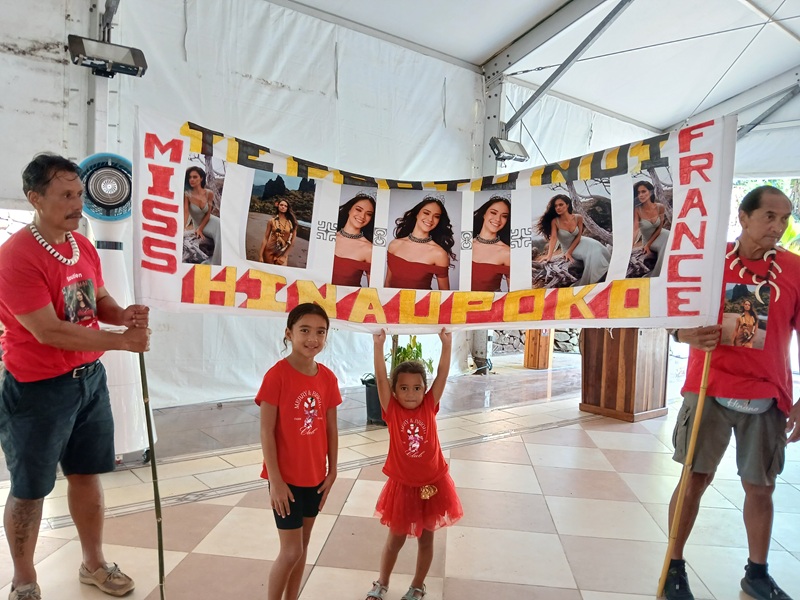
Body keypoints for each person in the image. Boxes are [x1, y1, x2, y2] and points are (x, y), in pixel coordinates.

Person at [0, 153, 151, 600]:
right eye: (65, 195)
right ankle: (24, 579)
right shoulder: (16, 257)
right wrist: (121, 342)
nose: (77, 204)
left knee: (87, 473)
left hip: (89, 382)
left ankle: (94, 563)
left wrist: (122, 315)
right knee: (30, 489)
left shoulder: (80, 245)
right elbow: (47, 330)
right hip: (37, 390)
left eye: (79, 193)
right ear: (35, 198)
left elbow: (95, 300)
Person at [665, 185, 800, 600]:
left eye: (785, 218)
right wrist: (686, 333)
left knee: (761, 486)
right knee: (693, 479)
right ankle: (673, 566)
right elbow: (673, 320)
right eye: (769, 216)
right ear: (743, 217)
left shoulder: (795, 270)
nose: (777, 227)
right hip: (709, 386)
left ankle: (756, 573)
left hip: (768, 393)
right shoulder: (707, 264)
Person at [365, 328, 462, 600]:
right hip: (403, 487)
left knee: (426, 539)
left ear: (424, 389)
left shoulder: (429, 404)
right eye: (404, 388)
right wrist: (378, 345)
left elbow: (442, 375)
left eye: (417, 388)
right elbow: (381, 380)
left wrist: (447, 344)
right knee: (394, 540)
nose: (411, 394)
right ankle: (382, 583)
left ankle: (418, 585)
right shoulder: (391, 410)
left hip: (433, 484)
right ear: (394, 392)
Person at [257, 302, 340, 600]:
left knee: (302, 547)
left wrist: (333, 470)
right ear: (289, 334)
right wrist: (276, 481)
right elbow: (266, 430)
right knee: (291, 550)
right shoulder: (277, 375)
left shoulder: (328, 378)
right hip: (286, 479)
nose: (312, 338)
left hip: (316, 476)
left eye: (320, 332)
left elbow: (331, 428)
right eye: (304, 330)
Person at [536, 194, 610, 287]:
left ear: (567, 205)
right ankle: (596, 279)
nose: (558, 208)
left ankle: (607, 272)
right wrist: (549, 255)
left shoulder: (578, 217)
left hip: (581, 241)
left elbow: (578, 236)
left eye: (561, 205)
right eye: (555, 206)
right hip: (567, 247)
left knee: (598, 247)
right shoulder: (555, 221)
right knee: (592, 254)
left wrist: (569, 252)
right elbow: (553, 238)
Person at [385, 197, 455, 290]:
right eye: (426, 213)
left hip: (422, 304)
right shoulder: (394, 245)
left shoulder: (439, 253)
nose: (430, 219)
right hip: (393, 303)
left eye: (436, 216)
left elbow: (445, 296)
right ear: (416, 214)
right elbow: (387, 284)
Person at [332, 192, 376, 287]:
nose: (362, 216)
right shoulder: (329, 238)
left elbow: (374, 291)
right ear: (349, 210)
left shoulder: (369, 249)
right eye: (359, 210)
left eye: (368, 214)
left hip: (349, 300)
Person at [471, 196, 511, 292]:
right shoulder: (465, 244)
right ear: (484, 214)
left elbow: (514, 296)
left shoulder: (507, 253)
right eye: (493, 213)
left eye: (504, 216)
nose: (498, 219)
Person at [183, 166, 222, 265]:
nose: (192, 179)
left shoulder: (209, 193)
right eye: (190, 177)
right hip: (198, 223)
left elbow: (208, 214)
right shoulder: (187, 194)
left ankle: (216, 262)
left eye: (195, 177)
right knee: (220, 232)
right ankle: (214, 263)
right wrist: (183, 227)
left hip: (210, 221)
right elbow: (186, 212)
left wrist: (201, 228)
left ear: (201, 178)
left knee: (222, 228)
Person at [632, 181, 670, 277]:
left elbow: (660, 227)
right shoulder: (637, 210)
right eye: (638, 193)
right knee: (665, 246)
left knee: (672, 238)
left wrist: (648, 245)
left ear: (650, 192)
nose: (641, 195)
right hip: (647, 240)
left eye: (643, 191)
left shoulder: (660, 207)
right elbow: (635, 229)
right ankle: (661, 274)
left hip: (661, 234)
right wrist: (630, 246)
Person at [260, 199, 297, 266]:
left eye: (285, 206)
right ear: (278, 206)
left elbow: (293, 241)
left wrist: (285, 256)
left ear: (287, 208)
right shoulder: (271, 221)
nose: (283, 207)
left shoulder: (292, 223)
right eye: (281, 205)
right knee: (269, 272)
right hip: (269, 250)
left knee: (281, 273)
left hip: (282, 251)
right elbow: (265, 238)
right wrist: (260, 255)